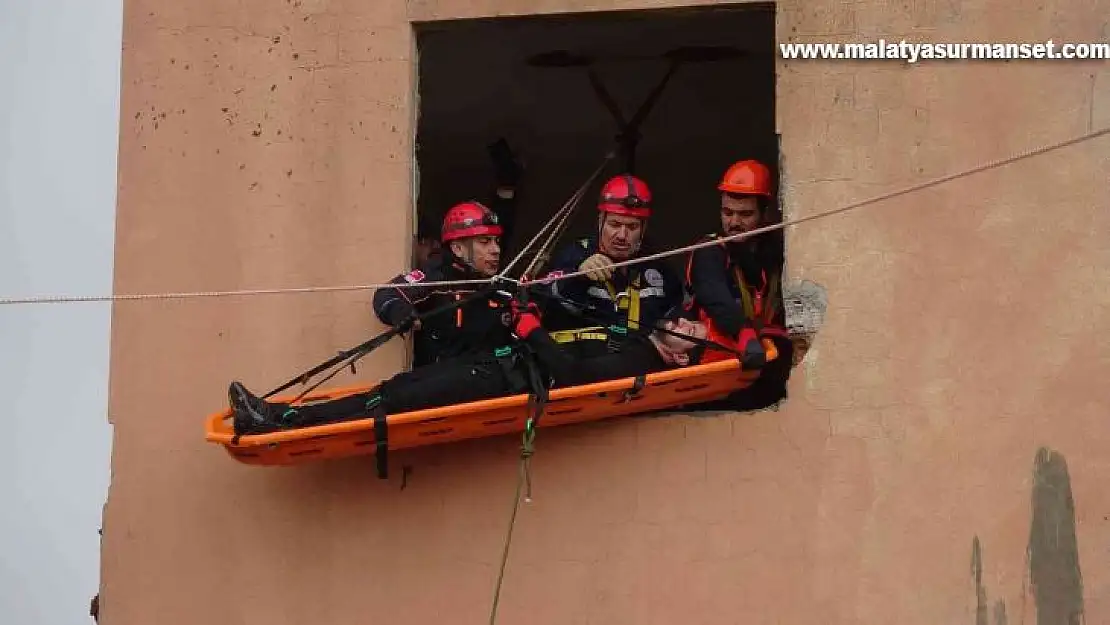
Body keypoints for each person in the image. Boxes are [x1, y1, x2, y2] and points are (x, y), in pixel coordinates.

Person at [227, 301, 710, 436]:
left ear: (681, 356)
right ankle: (279, 414)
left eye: (690, 328)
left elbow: (573, 378)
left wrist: (529, 330)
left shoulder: (637, 361)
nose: (683, 321)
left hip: (500, 382)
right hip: (494, 367)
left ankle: (274, 423)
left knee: (392, 402)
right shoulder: (630, 338)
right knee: (393, 390)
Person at [682, 158, 793, 410]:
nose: (733, 222)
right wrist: (744, 334)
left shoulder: (776, 253)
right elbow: (714, 296)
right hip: (715, 374)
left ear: (765, 214)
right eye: (727, 212)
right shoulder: (710, 251)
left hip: (763, 365)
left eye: (745, 214)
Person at [538, 174, 684, 358]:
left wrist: (662, 333)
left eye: (632, 227)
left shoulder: (657, 262)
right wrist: (578, 276)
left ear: (643, 229)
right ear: (601, 222)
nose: (622, 235)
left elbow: (677, 309)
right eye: (614, 224)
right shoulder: (574, 255)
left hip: (643, 363)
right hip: (584, 363)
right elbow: (545, 303)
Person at [372, 200, 515, 367]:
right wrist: (400, 312)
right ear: (457, 249)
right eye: (484, 242)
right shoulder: (438, 275)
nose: (496, 249)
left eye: (496, 241)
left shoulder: (501, 285)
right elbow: (387, 294)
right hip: (441, 383)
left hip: (494, 383)